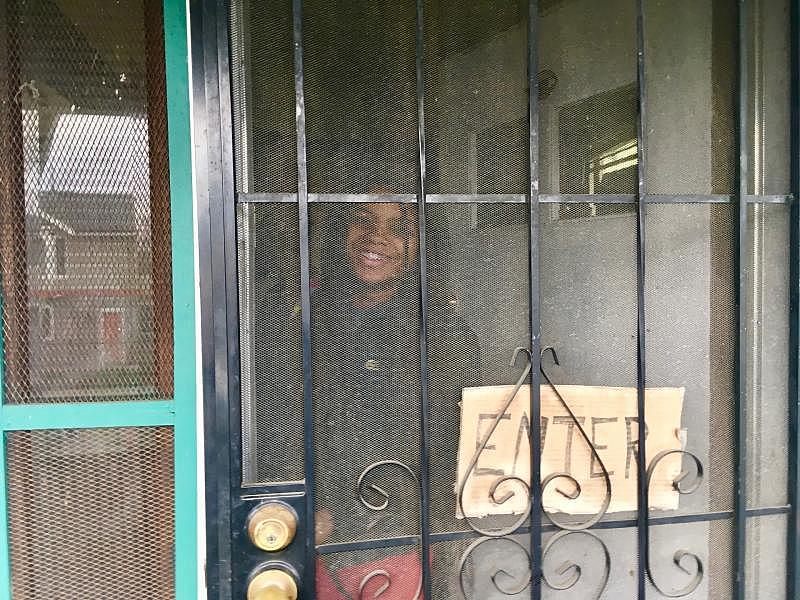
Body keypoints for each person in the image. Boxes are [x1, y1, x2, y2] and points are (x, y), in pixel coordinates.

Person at [311, 202, 481, 599]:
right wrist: (310, 503)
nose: (377, 236)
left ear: (419, 247)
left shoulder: (439, 329)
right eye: (363, 221)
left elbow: (449, 440)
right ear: (342, 232)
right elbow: (279, 417)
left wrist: (339, 508)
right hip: (313, 532)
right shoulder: (310, 317)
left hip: (400, 535)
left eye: (397, 228)